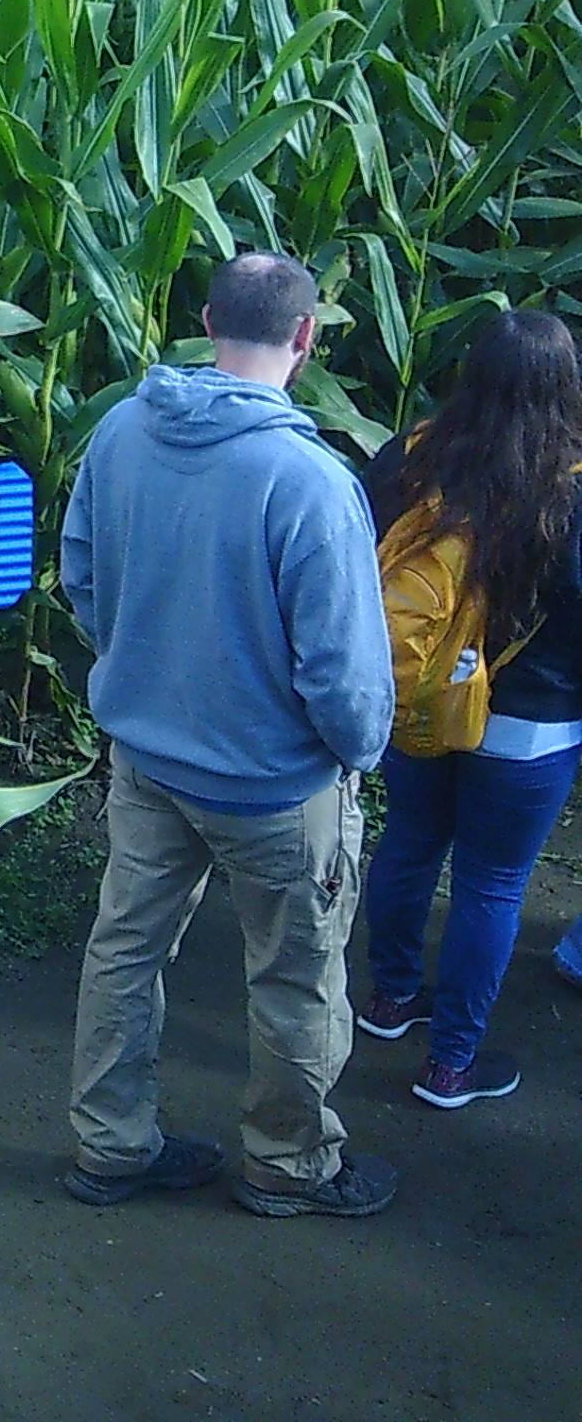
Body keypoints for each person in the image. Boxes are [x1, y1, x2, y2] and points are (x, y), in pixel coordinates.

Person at [60, 252, 396, 1218]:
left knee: (124, 952)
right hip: (275, 787)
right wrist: (353, 756)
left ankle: (109, 1147)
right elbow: (346, 672)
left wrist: (136, 667)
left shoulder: (122, 431)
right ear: (306, 337)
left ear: (206, 320)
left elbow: (81, 575)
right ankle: (290, 1167)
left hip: (147, 764)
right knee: (294, 978)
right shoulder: (309, 479)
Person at [354, 308, 582, 1110]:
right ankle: (451, 1065)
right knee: (492, 884)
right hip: (531, 726)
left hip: (415, 696)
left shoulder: (411, 460)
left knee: (410, 842)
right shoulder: (570, 489)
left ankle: (388, 1000)